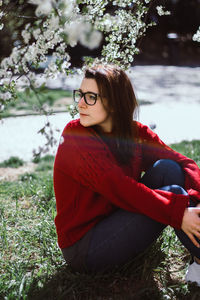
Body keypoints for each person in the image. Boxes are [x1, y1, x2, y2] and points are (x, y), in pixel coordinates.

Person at [53, 64, 200, 284]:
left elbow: (182, 162)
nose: (80, 104)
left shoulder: (135, 133)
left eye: (91, 97)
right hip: (84, 247)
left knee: (168, 168)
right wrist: (177, 212)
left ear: (114, 103)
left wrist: (197, 199)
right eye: (81, 95)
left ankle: (197, 265)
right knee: (175, 194)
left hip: (116, 216)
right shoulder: (76, 136)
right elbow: (122, 189)